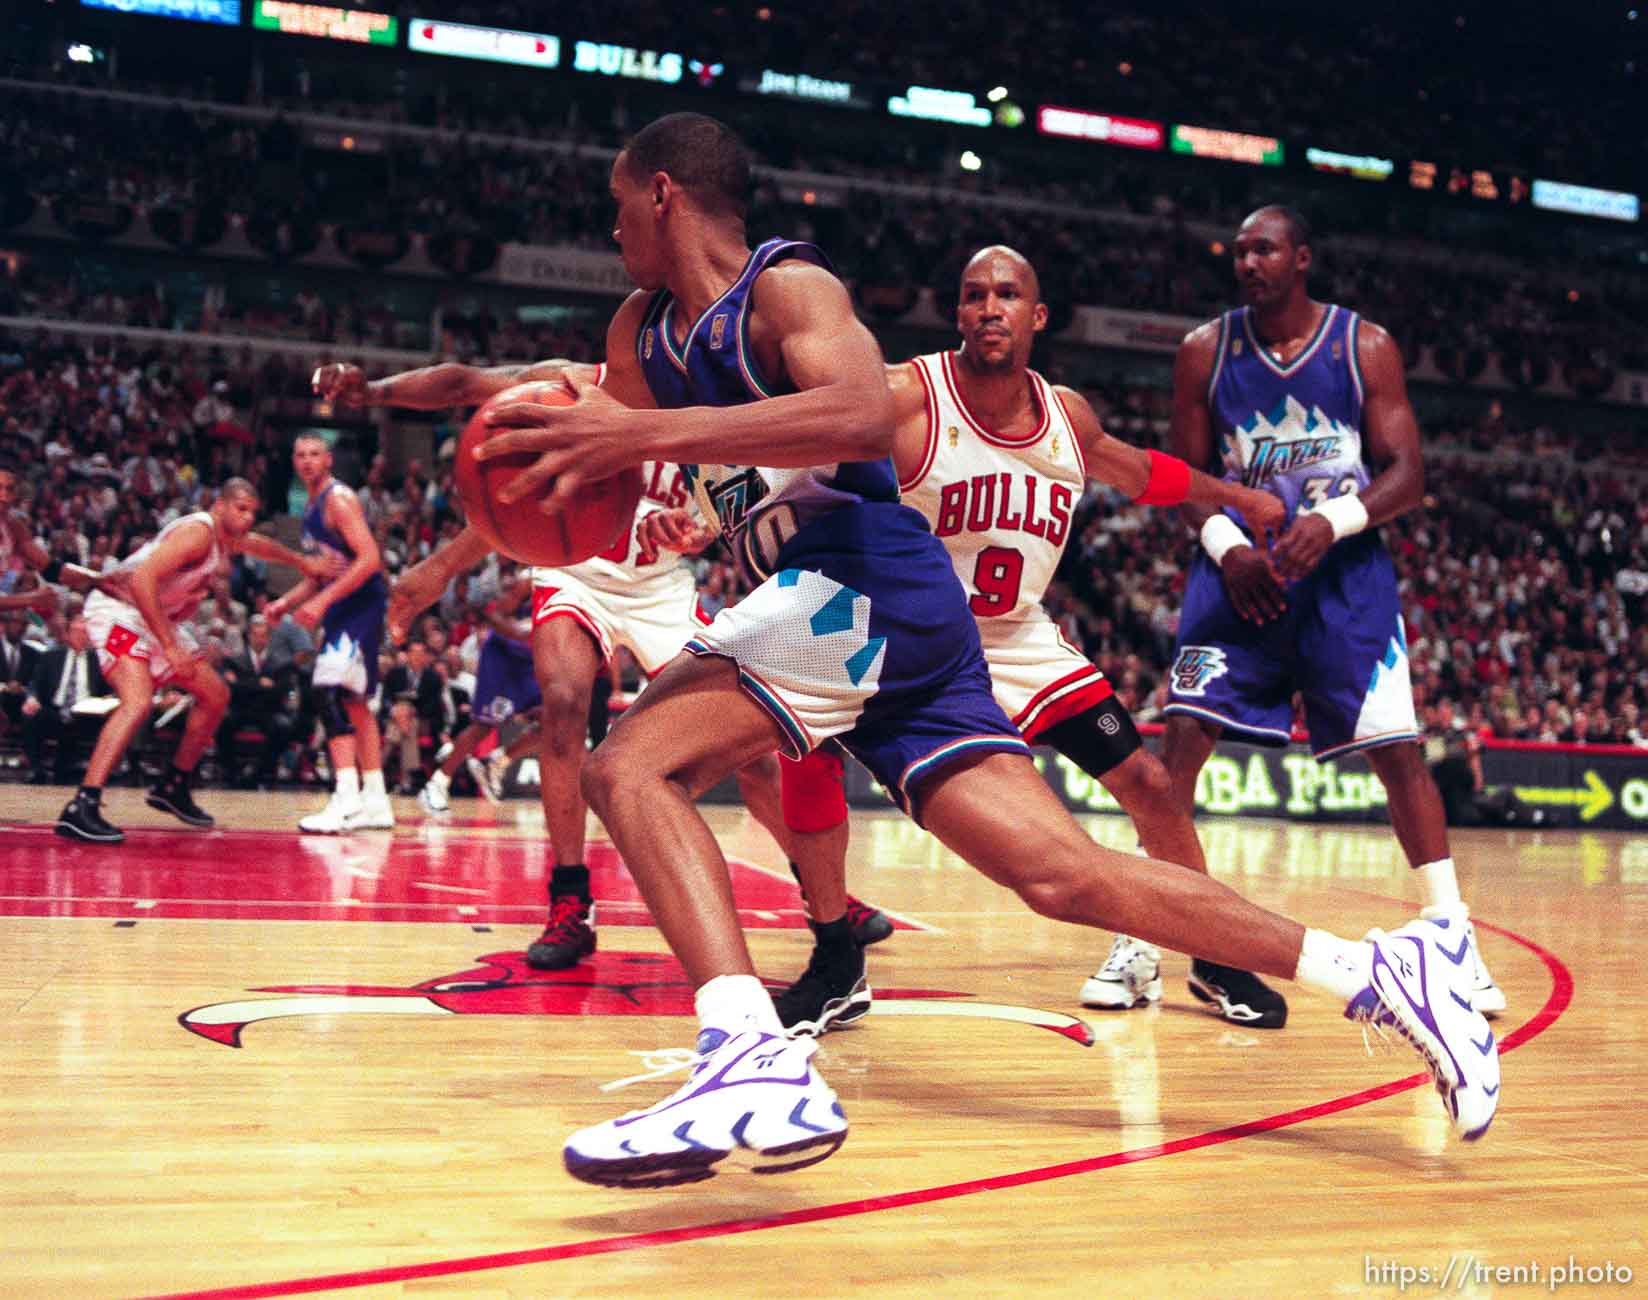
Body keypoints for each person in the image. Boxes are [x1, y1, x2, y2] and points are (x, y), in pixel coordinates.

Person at [474, 114, 1499, 1186]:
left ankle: (746, 1058)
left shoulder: (790, 289)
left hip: (860, 583)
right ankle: (1383, 968)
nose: (610, 227)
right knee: (1062, 877)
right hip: (900, 617)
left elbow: (862, 412)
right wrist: (498, 420)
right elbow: (600, 416)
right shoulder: (652, 331)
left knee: (627, 763)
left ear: (663, 195)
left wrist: (639, 438)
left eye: (616, 203)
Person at [654, 244, 1292, 1035]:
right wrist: (708, 517)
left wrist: (1234, 497)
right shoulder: (904, 394)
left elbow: (1139, 473)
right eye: (975, 295)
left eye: (1008, 295)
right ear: (957, 314)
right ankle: (835, 954)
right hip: (904, 626)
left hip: (1016, 638)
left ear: (1038, 315)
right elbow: (796, 452)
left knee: (1151, 785)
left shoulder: (1068, 415)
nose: (991, 308)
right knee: (806, 758)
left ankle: (1218, 954)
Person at [317, 363, 891, 969]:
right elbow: (464, 387)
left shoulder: (709, 418)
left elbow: (720, 519)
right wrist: (377, 392)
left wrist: (690, 529)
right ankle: (570, 901)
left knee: (752, 751)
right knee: (564, 703)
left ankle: (822, 891)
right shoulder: (573, 386)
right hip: (575, 575)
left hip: (658, 588)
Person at [1160, 206, 1505, 1016]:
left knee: (1399, 754)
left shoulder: (1364, 346)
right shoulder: (1203, 352)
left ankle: (1452, 937)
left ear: (1302, 258)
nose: (1247, 262)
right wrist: (1228, 549)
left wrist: (1331, 521)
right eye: (1239, 250)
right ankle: (1142, 937)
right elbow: (1181, 475)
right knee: (1177, 750)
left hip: (1346, 578)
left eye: (1264, 249)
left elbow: (1407, 473)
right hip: (1237, 574)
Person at [56, 479, 319, 842]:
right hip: (119, 612)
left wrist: (299, 560)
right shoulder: (198, 532)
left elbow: (258, 545)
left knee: (215, 694)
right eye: (241, 508)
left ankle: (174, 785)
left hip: (152, 618)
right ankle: (82, 805)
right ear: (221, 505)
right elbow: (142, 580)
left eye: (252, 513)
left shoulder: (225, 538)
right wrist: (172, 645)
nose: (247, 518)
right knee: (137, 700)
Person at [267, 434, 394, 833]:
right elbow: (325, 572)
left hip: (361, 605)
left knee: (328, 691)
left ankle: (347, 797)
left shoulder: (338, 499)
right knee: (355, 700)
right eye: (300, 454)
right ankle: (376, 801)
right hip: (346, 606)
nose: (306, 461)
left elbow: (370, 559)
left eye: (314, 454)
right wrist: (284, 603)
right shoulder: (310, 508)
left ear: (329, 459)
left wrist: (320, 604)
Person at [416, 572, 542, 813]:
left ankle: (497, 762)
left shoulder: (585, 588)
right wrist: (522, 635)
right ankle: (437, 783)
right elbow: (491, 614)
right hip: (504, 656)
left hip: (530, 660)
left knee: (554, 719)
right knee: (484, 725)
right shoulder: (531, 580)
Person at [22, 614, 111, 784]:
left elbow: (108, 689)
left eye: (85, 633)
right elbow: (35, 684)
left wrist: (107, 698)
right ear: (68, 635)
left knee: (101, 722)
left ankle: (82, 771)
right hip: (54, 709)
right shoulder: (51, 656)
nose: (81, 637)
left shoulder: (98, 659)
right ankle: (35, 768)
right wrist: (32, 698)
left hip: (86, 713)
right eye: (77, 632)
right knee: (31, 715)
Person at [215, 614, 299, 788]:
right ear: (249, 636)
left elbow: (280, 691)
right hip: (240, 708)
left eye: (263, 635)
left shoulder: (282, 663)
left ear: (268, 637)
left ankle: (260, 773)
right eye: (256, 635)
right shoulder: (234, 660)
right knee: (221, 721)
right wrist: (260, 684)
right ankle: (232, 773)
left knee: (283, 726)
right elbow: (230, 687)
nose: (259, 639)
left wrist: (244, 683)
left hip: (269, 710)